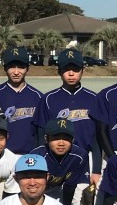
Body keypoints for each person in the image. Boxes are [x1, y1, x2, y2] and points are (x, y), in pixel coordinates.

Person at [35, 50, 105, 183]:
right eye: (66, 69)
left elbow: (97, 139)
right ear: (59, 71)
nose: (71, 73)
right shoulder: (48, 99)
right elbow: (41, 136)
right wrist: (41, 165)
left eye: (76, 69)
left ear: (83, 70)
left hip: (86, 158)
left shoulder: (94, 98)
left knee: (82, 195)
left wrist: (96, 170)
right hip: (55, 159)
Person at [0, 47, 42, 154]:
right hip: (2, 155)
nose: (16, 72)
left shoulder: (38, 97)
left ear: (27, 68)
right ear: (5, 68)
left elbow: (40, 132)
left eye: (21, 67)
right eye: (12, 67)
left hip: (29, 155)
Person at [30, 119, 91, 205]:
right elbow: (29, 187)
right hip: (36, 194)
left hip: (59, 193)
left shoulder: (79, 156)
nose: (61, 143)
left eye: (66, 138)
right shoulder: (36, 157)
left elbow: (73, 186)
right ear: (46, 139)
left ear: (72, 139)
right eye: (56, 138)